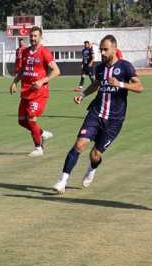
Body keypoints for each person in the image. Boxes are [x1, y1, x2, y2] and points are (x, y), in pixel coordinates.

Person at [53, 35, 143, 193]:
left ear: (114, 49)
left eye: (105, 49)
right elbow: (96, 84)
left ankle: (92, 168)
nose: (102, 52)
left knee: (95, 155)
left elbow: (139, 87)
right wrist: (82, 95)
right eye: (100, 49)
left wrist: (120, 84)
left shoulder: (126, 66)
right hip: (95, 113)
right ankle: (62, 181)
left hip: (114, 121)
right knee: (79, 145)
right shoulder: (100, 68)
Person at [10, 26, 60, 156]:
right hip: (26, 92)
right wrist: (15, 82)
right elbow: (22, 70)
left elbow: (56, 71)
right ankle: (42, 133)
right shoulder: (25, 52)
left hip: (39, 93)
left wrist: (42, 81)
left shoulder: (44, 52)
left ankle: (38, 148)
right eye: (31, 36)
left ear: (40, 37)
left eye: (35, 36)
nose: (32, 38)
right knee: (22, 121)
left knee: (31, 118)